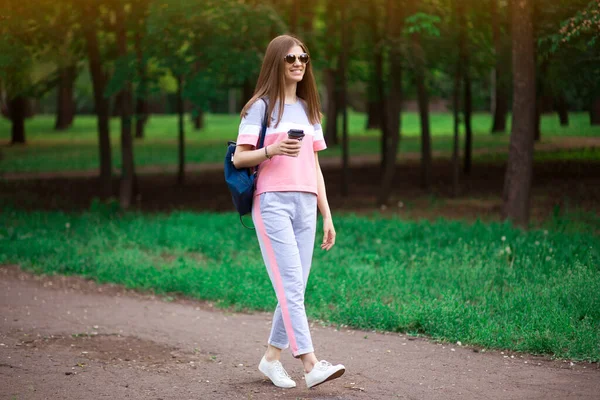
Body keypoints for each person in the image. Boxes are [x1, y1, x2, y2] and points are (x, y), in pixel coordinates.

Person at [232, 35, 345, 389]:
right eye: (290, 58)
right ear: (276, 62)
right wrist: (273, 149)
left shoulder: (309, 109)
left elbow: (315, 165)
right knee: (291, 285)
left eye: (304, 57)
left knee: (294, 286)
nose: (298, 63)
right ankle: (310, 364)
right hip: (272, 203)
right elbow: (239, 157)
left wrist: (327, 213)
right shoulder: (260, 107)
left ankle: (270, 359)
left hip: (306, 206)